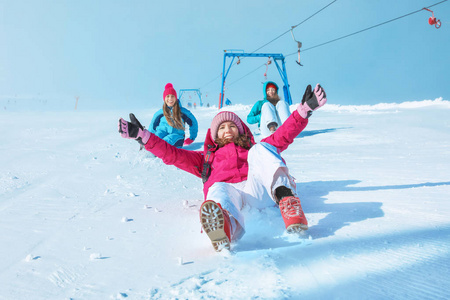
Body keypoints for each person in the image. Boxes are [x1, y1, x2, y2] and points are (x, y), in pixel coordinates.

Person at [118, 84, 327, 252]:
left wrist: (304, 111)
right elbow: (172, 154)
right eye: (222, 127)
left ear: (241, 130)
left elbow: (283, 135)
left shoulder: (252, 150)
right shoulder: (206, 159)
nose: (227, 129)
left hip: (258, 192)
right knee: (217, 188)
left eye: (232, 126)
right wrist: (143, 136)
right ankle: (223, 226)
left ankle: (288, 202)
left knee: (265, 147)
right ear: (215, 135)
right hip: (230, 196)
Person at [149, 83, 198, 148]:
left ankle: (159, 149)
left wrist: (192, 137)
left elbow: (193, 123)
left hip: (177, 137)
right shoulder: (160, 113)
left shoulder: (182, 112)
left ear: (175, 98)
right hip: (162, 133)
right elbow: (152, 127)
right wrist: (149, 140)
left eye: (172, 96)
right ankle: (149, 150)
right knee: (156, 139)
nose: (170, 99)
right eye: (168, 96)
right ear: (164, 98)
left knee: (165, 142)